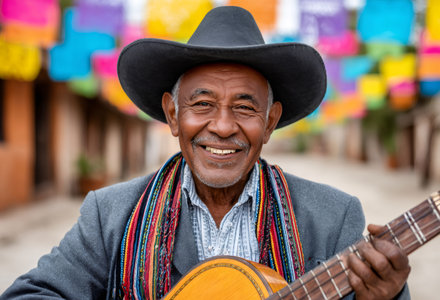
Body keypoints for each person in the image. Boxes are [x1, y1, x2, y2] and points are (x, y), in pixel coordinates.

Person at [1, 6, 410, 300]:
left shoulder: (332, 218)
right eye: (202, 104)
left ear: (269, 123)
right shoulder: (109, 215)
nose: (223, 125)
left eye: (246, 107)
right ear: (173, 115)